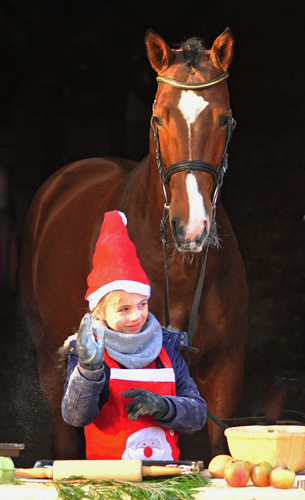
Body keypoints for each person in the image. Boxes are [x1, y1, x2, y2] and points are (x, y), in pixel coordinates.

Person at [61, 210, 207, 460]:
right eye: (124, 309)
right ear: (100, 311)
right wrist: (88, 370)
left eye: (142, 304)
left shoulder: (167, 346)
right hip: (108, 485)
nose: (136, 316)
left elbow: (198, 415)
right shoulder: (88, 349)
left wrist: (165, 406)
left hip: (164, 482)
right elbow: (75, 416)